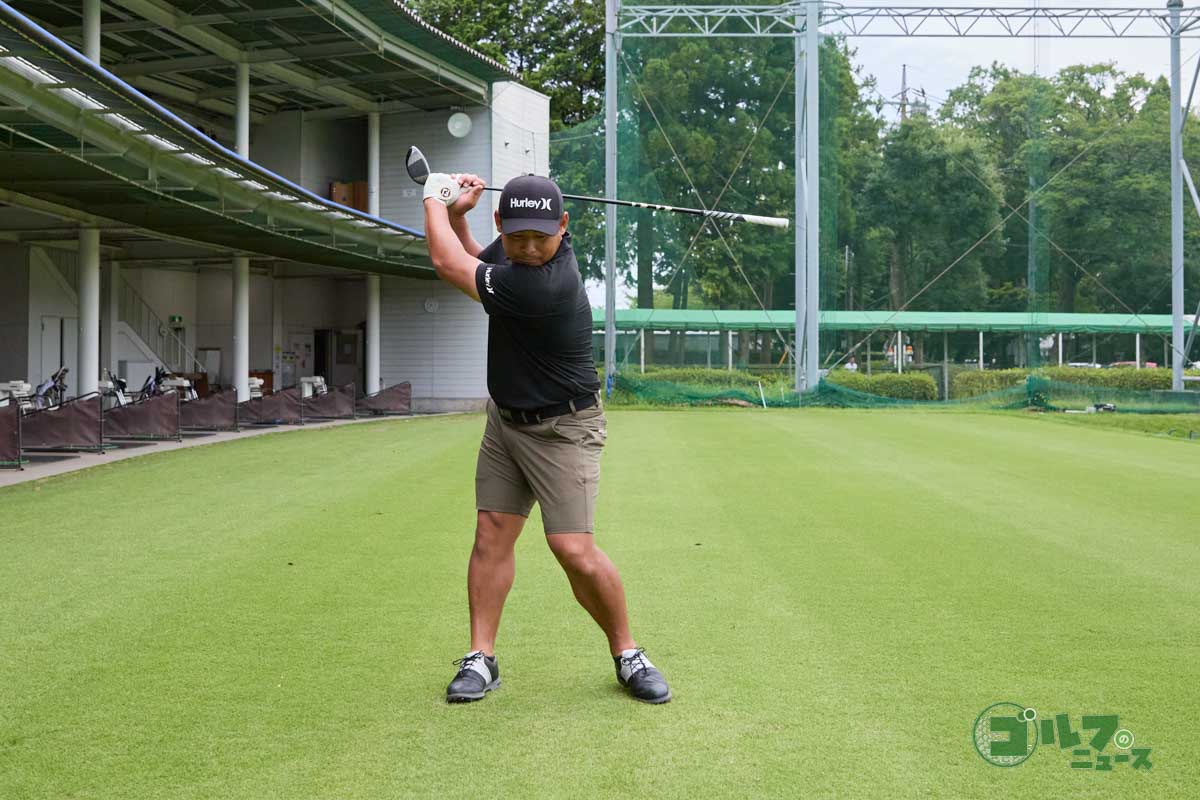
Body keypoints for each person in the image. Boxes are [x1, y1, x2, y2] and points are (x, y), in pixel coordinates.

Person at [420, 169, 672, 705]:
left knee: (572, 547)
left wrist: (432, 199)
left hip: (564, 428)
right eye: (516, 237)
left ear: (563, 225)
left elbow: (448, 264)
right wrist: (458, 216)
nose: (529, 248)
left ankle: (628, 653)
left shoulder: (548, 283)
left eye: (541, 236)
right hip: (507, 421)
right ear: (501, 226)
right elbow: (477, 262)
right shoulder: (511, 259)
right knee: (491, 533)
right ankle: (481, 656)